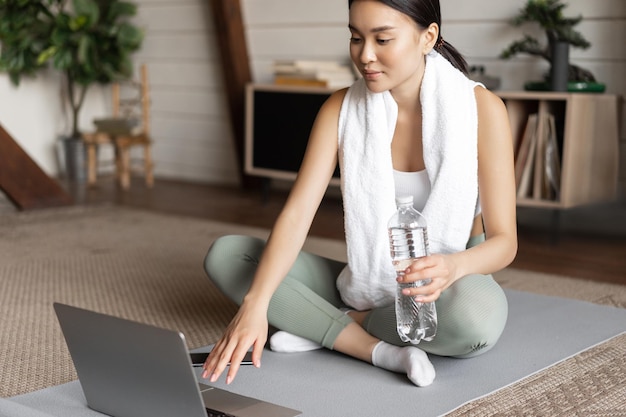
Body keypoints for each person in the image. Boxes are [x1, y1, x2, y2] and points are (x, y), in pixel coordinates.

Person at [202, 0, 517, 388]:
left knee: (474, 322)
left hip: (445, 283)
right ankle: (376, 349)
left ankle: (332, 323)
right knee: (229, 257)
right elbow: (298, 214)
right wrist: (255, 304)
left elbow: (505, 242)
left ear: (428, 37)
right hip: (368, 277)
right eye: (355, 37)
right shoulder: (340, 108)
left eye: (383, 39)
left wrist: (453, 268)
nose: (365, 55)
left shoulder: (481, 109)